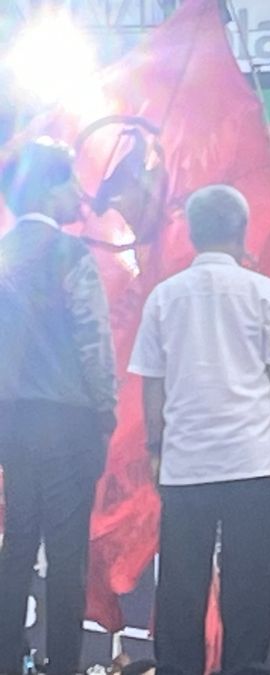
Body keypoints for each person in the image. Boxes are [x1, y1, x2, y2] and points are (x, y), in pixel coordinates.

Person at [129, 185, 270, 675]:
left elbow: (153, 385)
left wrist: (156, 448)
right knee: (248, 584)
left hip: (186, 463)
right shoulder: (264, 292)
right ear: (241, 231)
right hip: (250, 460)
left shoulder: (164, 297)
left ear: (192, 232)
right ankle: (245, 668)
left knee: (181, 589)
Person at [0, 138, 117, 675]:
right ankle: (63, 665)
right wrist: (106, 410)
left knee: (17, 540)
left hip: (12, 421)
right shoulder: (72, 254)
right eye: (70, 181)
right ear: (48, 191)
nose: (79, 193)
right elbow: (94, 339)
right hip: (68, 420)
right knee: (67, 551)